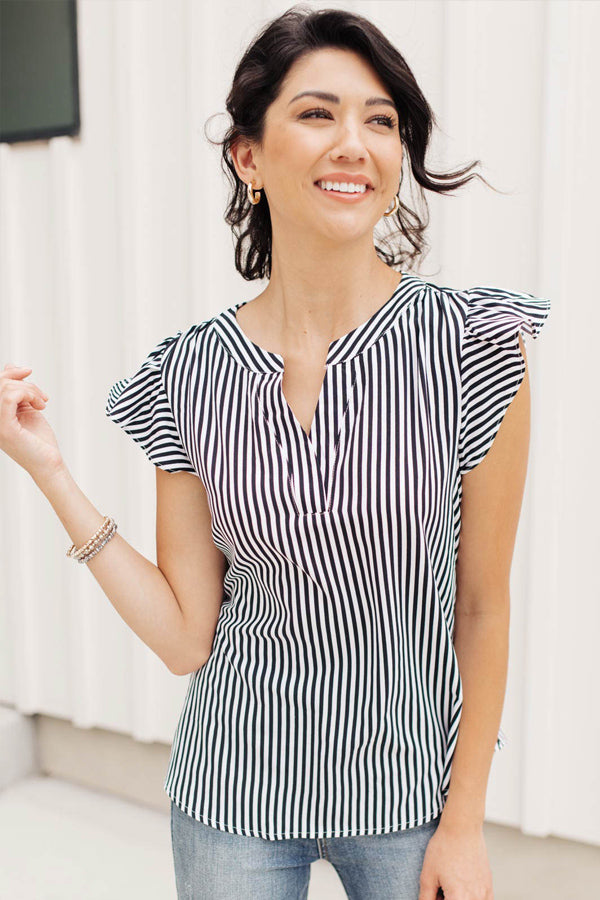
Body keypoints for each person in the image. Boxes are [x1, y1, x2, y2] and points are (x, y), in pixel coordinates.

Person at [0, 6, 551, 900]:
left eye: (381, 121)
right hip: (232, 799)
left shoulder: (475, 343)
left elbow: (484, 607)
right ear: (247, 157)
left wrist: (465, 825)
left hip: (413, 800)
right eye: (316, 113)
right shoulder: (188, 374)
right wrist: (50, 471)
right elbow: (187, 638)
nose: (356, 143)